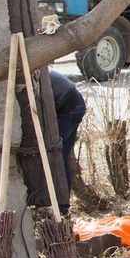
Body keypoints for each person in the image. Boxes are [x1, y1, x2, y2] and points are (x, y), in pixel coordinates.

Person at [50, 70, 86, 217]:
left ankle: (62, 206)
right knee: (61, 156)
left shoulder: (37, 77)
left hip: (71, 109)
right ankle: (62, 204)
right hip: (75, 105)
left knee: (57, 155)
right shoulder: (41, 72)